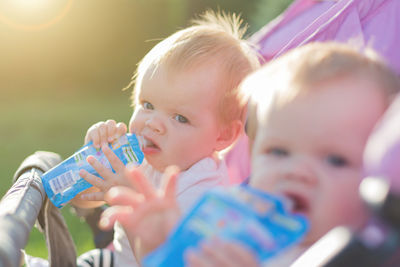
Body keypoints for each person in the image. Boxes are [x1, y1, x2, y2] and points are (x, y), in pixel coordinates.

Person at [98, 42, 400, 266]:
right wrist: (159, 245)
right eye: (279, 152)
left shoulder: (365, 257)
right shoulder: (235, 232)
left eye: (335, 159)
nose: (297, 171)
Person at [71, 10, 260, 267]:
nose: (153, 124)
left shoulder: (203, 195)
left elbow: (164, 262)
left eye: (180, 118)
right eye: (147, 104)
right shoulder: (141, 158)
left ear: (223, 135)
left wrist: (135, 206)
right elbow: (82, 200)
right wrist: (91, 162)